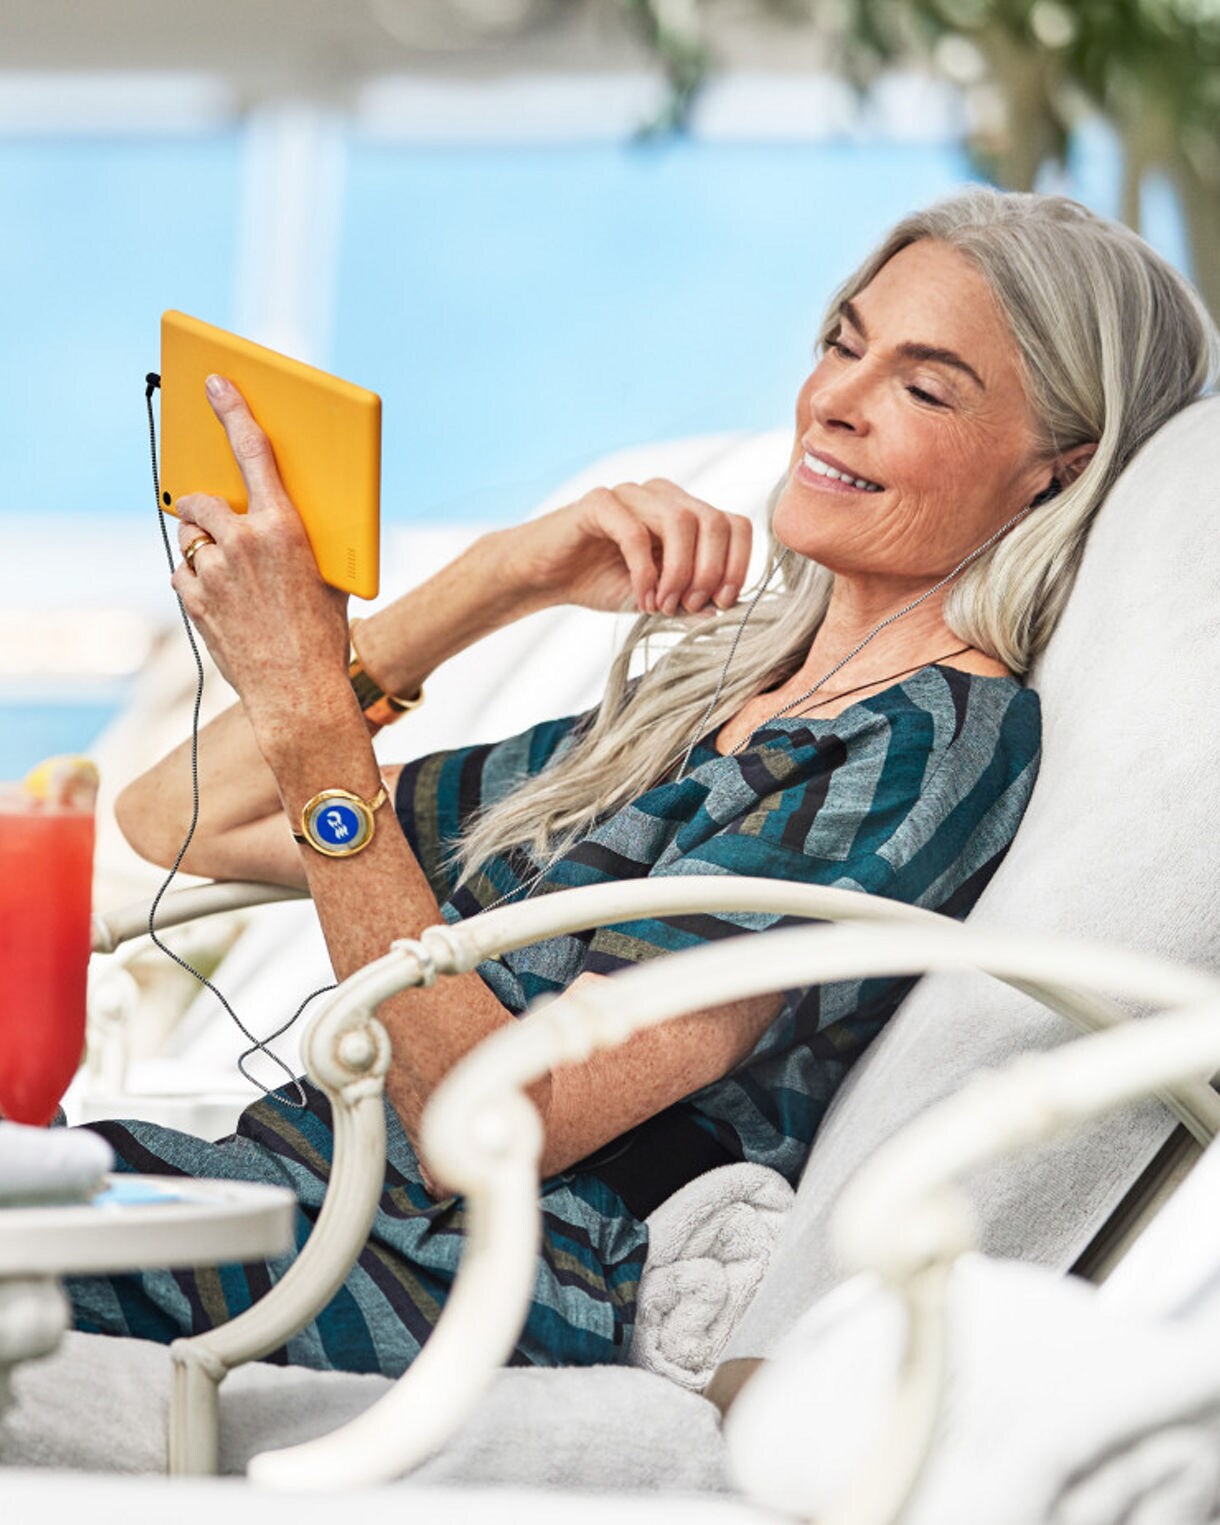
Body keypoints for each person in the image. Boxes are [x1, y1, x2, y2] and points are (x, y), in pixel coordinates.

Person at [71, 187, 1217, 1377]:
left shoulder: (923, 742)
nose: (835, 401)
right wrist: (496, 581)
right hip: (302, 1195)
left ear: (1052, 469)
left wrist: (313, 707)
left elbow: (501, 1124)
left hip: (455, 1272)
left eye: (922, 387)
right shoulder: (706, 705)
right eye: (842, 343)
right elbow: (179, 817)